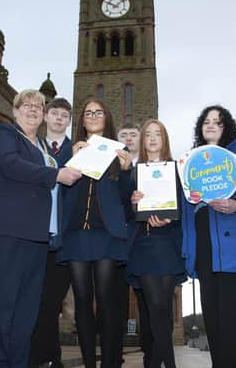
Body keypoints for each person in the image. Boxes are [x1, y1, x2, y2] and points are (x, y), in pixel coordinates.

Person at [0, 89, 81, 368]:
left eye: (39, 105)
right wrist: (55, 174)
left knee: (27, 308)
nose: (33, 109)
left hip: (38, 236)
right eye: (27, 105)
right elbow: (11, 165)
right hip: (10, 229)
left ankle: (19, 362)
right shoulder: (5, 134)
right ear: (15, 110)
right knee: (3, 302)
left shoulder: (45, 148)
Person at [180, 105, 236, 368]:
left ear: (226, 126)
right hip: (204, 245)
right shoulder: (190, 162)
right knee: (214, 320)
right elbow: (184, 204)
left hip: (235, 246)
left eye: (217, 122)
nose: (211, 125)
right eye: (206, 121)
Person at [57, 98, 133, 368]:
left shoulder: (120, 152)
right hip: (76, 234)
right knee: (82, 299)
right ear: (82, 120)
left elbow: (128, 200)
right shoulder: (70, 149)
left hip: (106, 235)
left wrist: (126, 172)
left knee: (105, 298)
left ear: (106, 118)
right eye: (88, 112)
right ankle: (89, 363)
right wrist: (69, 159)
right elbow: (60, 189)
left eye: (98, 112)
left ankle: (109, 361)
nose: (92, 115)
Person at [129, 119, 187, 368]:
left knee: (162, 308)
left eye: (158, 134)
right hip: (144, 244)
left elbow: (185, 207)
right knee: (154, 308)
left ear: (164, 139)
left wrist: (169, 219)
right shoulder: (134, 171)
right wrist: (133, 202)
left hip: (168, 244)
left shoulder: (178, 170)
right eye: (148, 134)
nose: (152, 139)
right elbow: (127, 212)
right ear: (143, 141)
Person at [29, 97, 74, 368]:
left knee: (52, 302)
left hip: (64, 240)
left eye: (64, 115)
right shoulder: (33, 146)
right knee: (34, 301)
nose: (58, 118)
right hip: (34, 236)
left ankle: (48, 358)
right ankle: (42, 358)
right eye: (54, 113)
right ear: (46, 116)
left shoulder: (78, 150)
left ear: (69, 121)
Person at [112, 122, 141, 367]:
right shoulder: (110, 167)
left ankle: (152, 355)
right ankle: (115, 353)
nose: (129, 139)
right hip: (118, 240)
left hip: (145, 239)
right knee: (116, 300)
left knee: (145, 298)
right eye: (124, 135)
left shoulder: (151, 166)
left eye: (133, 135)